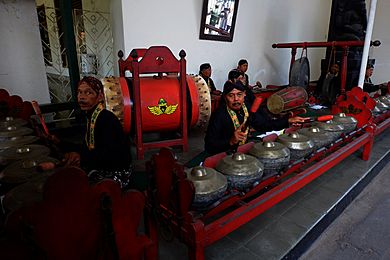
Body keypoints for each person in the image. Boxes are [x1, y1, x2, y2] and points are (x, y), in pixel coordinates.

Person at [52, 76, 132, 188]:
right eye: (80, 92)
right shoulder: (91, 117)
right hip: (101, 166)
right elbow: (87, 149)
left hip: (115, 173)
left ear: (99, 97)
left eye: (88, 93)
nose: (82, 97)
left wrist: (81, 157)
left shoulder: (106, 119)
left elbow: (109, 157)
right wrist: (59, 142)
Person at [204, 81, 308, 155]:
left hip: (243, 151)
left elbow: (265, 125)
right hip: (223, 156)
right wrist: (230, 141)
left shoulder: (247, 108)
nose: (236, 99)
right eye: (231, 95)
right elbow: (209, 146)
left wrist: (287, 121)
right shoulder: (219, 115)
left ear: (244, 94)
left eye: (239, 95)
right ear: (225, 97)